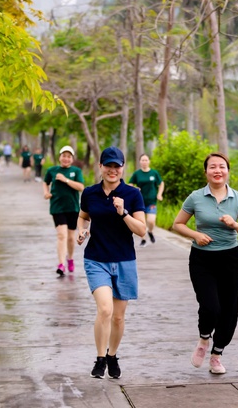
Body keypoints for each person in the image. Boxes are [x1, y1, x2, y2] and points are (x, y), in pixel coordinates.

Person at [173, 153, 238, 375]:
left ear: (228, 171)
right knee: (210, 305)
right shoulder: (196, 197)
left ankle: (217, 355)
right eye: (212, 167)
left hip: (230, 258)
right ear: (206, 172)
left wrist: (235, 225)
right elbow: (178, 224)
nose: (217, 170)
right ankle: (203, 339)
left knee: (229, 310)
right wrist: (195, 235)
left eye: (222, 167)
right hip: (202, 259)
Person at [76, 146, 146, 379]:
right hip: (96, 259)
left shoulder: (133, 194)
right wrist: (81, 231)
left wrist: (123, 213)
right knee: (105, 309)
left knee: (118, 316)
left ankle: (112, 354)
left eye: (117, 166)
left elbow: (142, 230)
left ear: (123, 168)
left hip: (124, 260)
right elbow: (83, 216)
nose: (112, 170)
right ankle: (99, 358)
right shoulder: (89, 193)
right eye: (108, 165)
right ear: (101, 167)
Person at [43, 146, 85, 276]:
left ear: (72, 159)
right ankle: (61, 264)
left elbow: (81, 187)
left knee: (71, 238)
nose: (66, 159)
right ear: (59, 157)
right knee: (61, 235)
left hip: (72, 207)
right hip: (57, 207)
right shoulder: (52, 170)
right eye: (64, 156)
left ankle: (70, 258)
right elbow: (45, 182)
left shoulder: (76, 171)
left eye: (69, 156)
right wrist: (46, 192)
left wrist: (66, 180)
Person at [129, 154, 164, 247]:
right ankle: (143, 239)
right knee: (142, 222)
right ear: (140, 162)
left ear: (149, 161)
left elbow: (161, 183)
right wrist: (135, 188)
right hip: (139, 202)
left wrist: (159, 194)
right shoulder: (137, 174)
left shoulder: (154, 173)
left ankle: (150, 231)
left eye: (146, 160)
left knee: (151, 221)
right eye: (142, 160)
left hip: (151, 201)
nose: (144, 162)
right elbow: (130, 184)